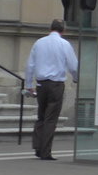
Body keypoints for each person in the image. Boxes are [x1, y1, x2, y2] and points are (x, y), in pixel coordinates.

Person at [24, 19, 79, 160]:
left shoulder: (39, 42)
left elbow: (30, 65)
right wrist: (76, 78)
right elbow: (73, 66)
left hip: (41, 84)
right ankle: (45, 151)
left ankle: (37, 147)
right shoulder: (64, 44)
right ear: (63, 30)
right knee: (51, 119)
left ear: (50, 28)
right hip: (56, 85)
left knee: (41, 116)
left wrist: (29, 84)